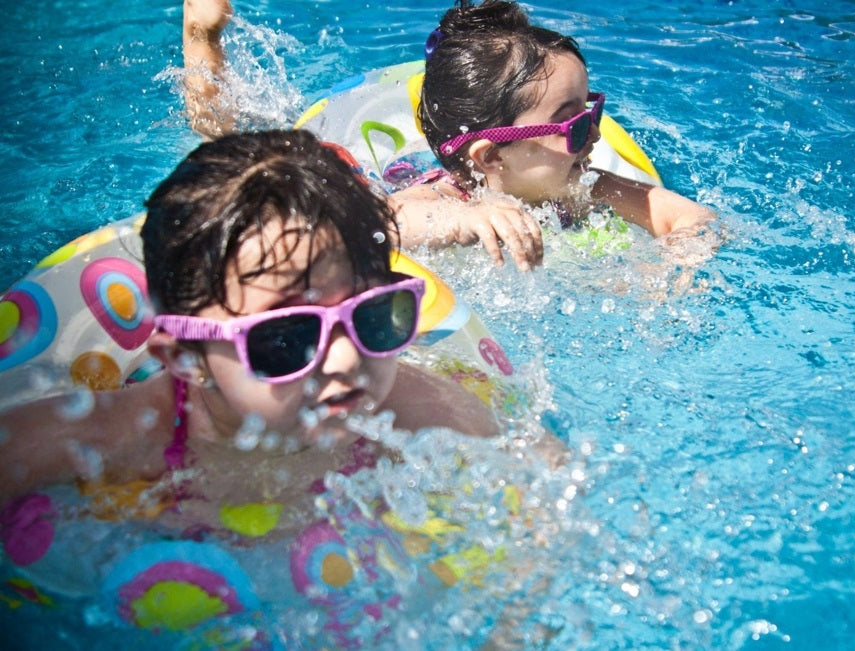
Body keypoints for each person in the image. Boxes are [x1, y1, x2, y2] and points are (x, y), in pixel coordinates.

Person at [0, 129, 500, 516]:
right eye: (287, 337)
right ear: (186, 357)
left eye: (372, 316)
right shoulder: (113, 439)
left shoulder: (418, 414)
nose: (347, 358)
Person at [180, 0, 716, 272]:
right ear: (491, 157)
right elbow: (371, 229)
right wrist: (464, 219)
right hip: (387, 178)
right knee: (229, 155)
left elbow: (688, 217)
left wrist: (678, 265)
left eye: (592, 112)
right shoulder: (443, 198)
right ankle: (203, 38)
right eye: (574, 125)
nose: (594, 135)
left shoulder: (586, 186)